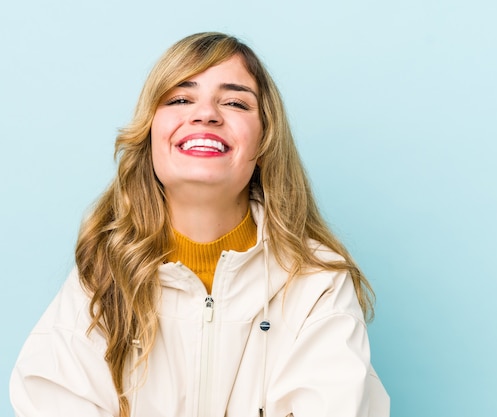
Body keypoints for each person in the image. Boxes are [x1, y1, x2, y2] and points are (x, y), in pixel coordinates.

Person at [10, 32, 389, 417]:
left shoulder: (316, 282)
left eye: (234, 102)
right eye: (179, 99)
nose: (205, 113)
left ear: (263, 141)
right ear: (150, 135)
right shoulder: (100, 277)